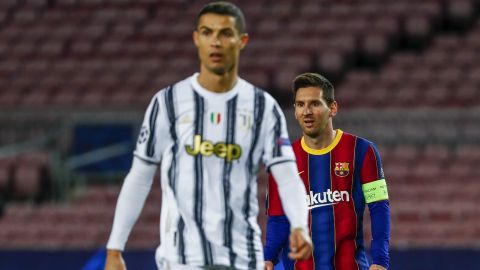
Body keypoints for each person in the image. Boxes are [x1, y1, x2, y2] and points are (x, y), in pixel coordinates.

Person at [104, 2, 312, 270]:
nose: (216, 41)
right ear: (196, 39)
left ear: (242, 41)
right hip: (181, 259)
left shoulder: (263, 108)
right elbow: (140, 176)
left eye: (225, 33)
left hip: (242, 257)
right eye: (207, 32)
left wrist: (299, 224)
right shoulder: (168, 102)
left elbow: (286, 176)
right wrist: (115, 247)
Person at [264, 73, 390, 270]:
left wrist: (380, 261)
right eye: (300, 104)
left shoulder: (363, 150)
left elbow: (379, 207)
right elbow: (278, 217)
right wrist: (268, 257)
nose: (306, 111)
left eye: (314, 104)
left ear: (332, 108)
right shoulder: (282, 161)